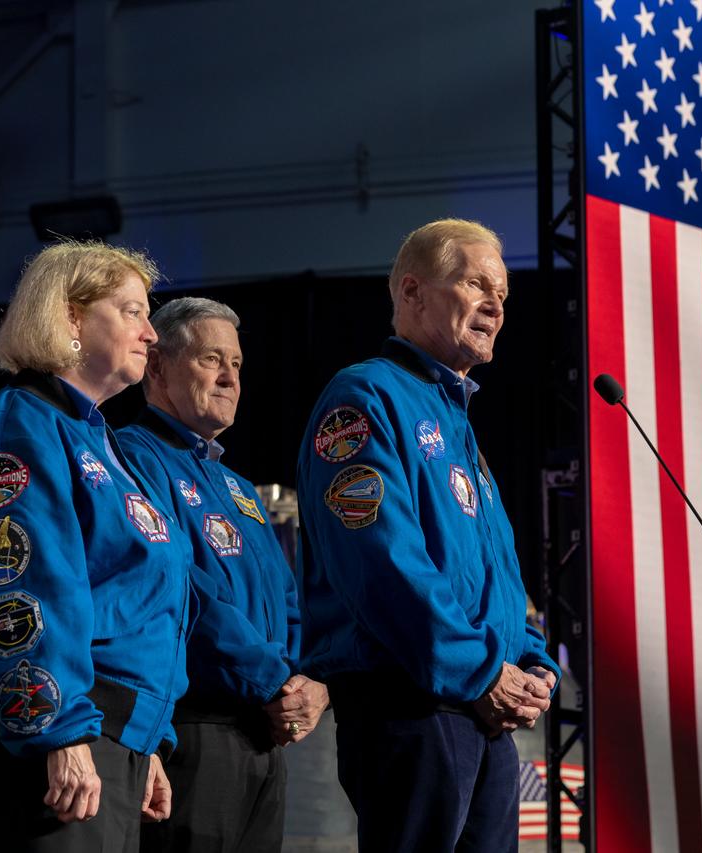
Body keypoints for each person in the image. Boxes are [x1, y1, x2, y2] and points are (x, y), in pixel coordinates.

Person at [0, 240, 196, 852]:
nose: (152, 333)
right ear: (70, 317)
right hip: (52, 732)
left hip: (103, 733)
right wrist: (60, 729)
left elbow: (135, 605)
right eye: (130, 311)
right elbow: (19, 587)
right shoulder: (21, 426)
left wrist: (143, 735)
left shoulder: (98, 443)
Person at [295, 219, 560, 853]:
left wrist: (531, 659)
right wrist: (481, 672)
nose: (496, 304)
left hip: (479, 707)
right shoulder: (365, 398)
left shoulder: (455, 417)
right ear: (412, 292)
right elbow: (383, 565)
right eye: (476, 284)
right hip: (412, 704)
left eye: (503, 292)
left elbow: (498, 569)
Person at [117, 298, 328, 853]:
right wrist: (275, 681)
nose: (230, 376)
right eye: (212, 359)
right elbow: (185, 594)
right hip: (194, 731)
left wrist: (304, 681)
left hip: (263, 735)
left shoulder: (236, 487)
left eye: (236, 363)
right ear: (157, 367)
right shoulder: (131, 457)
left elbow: (286, 595)